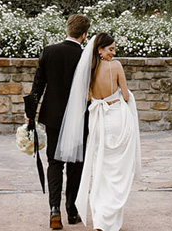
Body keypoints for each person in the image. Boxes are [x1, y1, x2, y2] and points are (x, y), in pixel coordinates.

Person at [55, 33, 141, 231]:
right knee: (118, 170)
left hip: (98, 121)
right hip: (117, 117)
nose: (113, 52)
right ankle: (110, 216)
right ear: (100, 49)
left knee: (100, 168)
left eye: (114, 49)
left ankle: (101, 219)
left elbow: (86, 98)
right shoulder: (116, 66)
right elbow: (126, 95)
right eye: (110, 49)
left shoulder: (88, 70)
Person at [26, 13, 90, 230]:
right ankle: (71, 210)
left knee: (54, 162)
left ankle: (54, 209)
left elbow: (38, 86)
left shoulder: (49, 51)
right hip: (79, 117)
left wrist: (30, 113)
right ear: (84, 34)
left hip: (53, 116)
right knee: (76, 164)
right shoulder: (86, 56)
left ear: (68, 29)